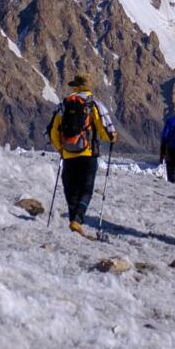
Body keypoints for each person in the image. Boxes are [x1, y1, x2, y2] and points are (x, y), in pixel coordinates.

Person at [47, 74, 117, 236]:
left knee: (71, 190)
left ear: (75, 87)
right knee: (86, 189)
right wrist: (112, 137)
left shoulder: (63, 105)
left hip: (69, 155)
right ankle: (77, 220)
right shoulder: (93, 104)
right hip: (88, 154)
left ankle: (74, 222)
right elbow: (105, 130)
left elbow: (52, 131)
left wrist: (61, 149)